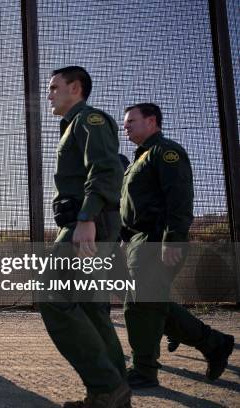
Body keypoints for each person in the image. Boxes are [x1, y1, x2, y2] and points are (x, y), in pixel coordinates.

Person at [121, 103, 234, 388]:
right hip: (139, 240)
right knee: (150, 304)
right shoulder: (137, 160)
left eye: (131, 121)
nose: (126, 126)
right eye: (125, 122)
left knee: (141, 305)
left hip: (158, 238)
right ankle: (214, 343)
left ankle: (144, 370)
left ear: (152, 121)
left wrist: (173, 238)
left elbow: (179, 197)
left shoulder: (165, 152)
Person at [41, 66, 131, 408]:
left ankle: (106, 385)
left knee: (52, 296)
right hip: (89, 220)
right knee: (93, 310)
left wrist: (86, 217)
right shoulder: (73, 126)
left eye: (54, 87)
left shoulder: (90, 120)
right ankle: (112, 394)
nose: (49, 94)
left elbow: (106, 169)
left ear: (75, 88)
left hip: (87, 222)